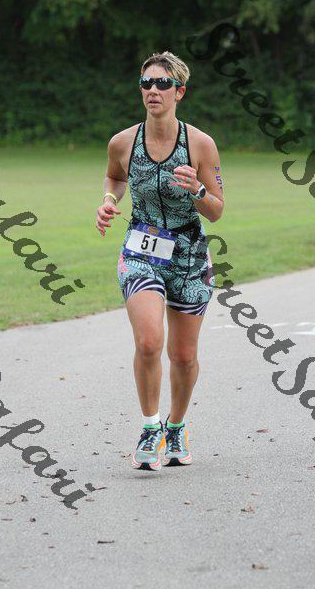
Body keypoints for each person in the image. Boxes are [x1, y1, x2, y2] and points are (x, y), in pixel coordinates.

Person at [96, 51, 224, 471]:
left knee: (183, 356)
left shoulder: (200, 144)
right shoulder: (122, 142)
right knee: (149, 341)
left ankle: (177, 426)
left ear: (179, 92)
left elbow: (217, 210)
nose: (153, 90)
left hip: (188, 256)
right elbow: (115, 176)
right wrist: (108, 200)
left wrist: (197, 190)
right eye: (146, 83)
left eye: (163, 83)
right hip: (141, 249)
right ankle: (150, 428)